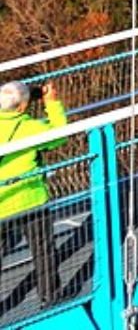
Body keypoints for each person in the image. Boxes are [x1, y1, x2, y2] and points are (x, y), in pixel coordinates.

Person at [0, 79, 65, 306]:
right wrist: (52, 104)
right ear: (22, 107)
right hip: (30, 199)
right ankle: (50, 297)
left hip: (1, 203)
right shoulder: (31, 128)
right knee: (43, 250)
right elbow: (60, 136)